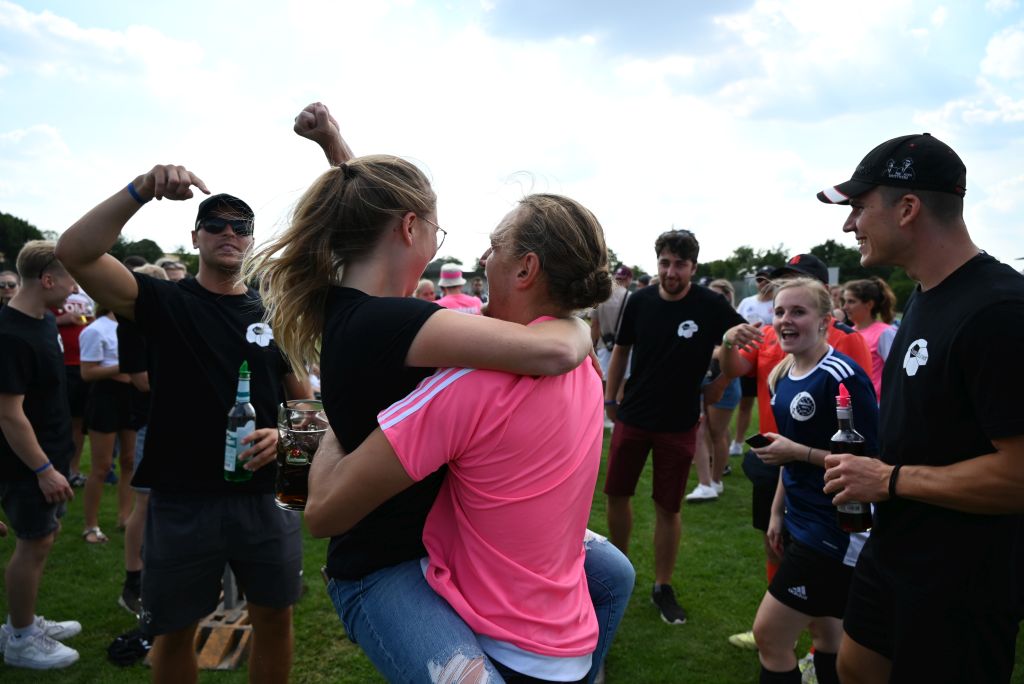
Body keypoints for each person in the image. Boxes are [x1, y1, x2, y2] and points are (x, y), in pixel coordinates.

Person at [242, 100, 635, 684]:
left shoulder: (371, 312)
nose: (473, 253)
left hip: (419, 534)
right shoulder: (396, 325)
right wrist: (575, 328)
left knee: (613, 574)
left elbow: (375, 215)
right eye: (436, 226)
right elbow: (549, 351)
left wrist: (337, 149)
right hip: (383, 556)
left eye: (493, 246)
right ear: (408, 229)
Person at [303, 193, 613, 682]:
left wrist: (335, 426)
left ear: (526, 268)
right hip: (570, 645)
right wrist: (575, 326)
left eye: (495, 246)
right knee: (617, 575)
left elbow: (323, 514)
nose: (484, 259)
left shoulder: (470, 385)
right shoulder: (586, 369)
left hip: (499, 636)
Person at [56, 171, 311, 684]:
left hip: (265, 497)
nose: (229, 233)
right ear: (195, 236)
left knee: (274, 618)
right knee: (172, 632)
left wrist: (285, 438)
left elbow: (306, 404)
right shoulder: (162, 301)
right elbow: (74, 252)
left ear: (251, 240)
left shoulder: (273, 312)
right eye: (215, 224)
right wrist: (140, 190)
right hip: (182, 499)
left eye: (241, 226)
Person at [818, 133, 1024, 683]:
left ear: (907, 208)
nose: (849, 225)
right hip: (896, 550)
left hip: (962, 581)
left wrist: (889, 480)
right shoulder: (927, 294)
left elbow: (1018, 475)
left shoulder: (1000, 309)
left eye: (859, 207)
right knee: (854, 667)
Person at [724, 277, 878, 684]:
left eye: (798, 311)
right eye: (779, 312)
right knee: (827, 635)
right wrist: (778, 513)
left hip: (837, 528)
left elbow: (870, 463)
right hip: (801, 519)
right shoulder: (782, 374)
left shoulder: (842, 377)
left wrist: (798, 452)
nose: (785, 320)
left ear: (825, 321)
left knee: (770, 636)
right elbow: (787, 456)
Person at [603, 229, 744, 625]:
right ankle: (618, 572)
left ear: (693, 267)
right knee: (617, 493)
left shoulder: (711, 304)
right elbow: (621, 350)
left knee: (668, 506)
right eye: (664, 262)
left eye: (680, 264)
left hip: (679, 422)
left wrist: (720, 383)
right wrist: (610, 399)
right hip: (634, 415)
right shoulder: (640, 300)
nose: (670, 271)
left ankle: (662, 586)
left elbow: (742, 347)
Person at [0, 241, 81, 669]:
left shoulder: (44, 320)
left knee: (44, 538)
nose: (75, 289)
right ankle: (21, 639)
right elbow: (8, 414)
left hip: (49, 454)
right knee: (33, 543)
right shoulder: (10, 334)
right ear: (48, 280)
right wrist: (44, 469)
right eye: (71, 280)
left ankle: (23, 620)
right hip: (26, 465)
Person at [78, 307, 136, 543]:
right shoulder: (96, 329)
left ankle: (125, 517)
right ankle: (90, 525)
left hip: (131, 397)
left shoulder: (135, 325)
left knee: (130, 461)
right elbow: (87, 372)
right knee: (101, 467)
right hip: (105, 399)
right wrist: (128, 365)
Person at [686, 278, 742, 502]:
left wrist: (713, 349)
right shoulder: (703, 317)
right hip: (701, 379)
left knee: (718, 433)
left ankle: (716, 480)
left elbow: (733, 354)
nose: (716, 299)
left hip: (724, 382)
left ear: (729, 296)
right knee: (700, 430)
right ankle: (705, 482)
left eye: (721, 295)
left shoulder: (733, 323)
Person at [731, 266, 775, 456]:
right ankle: (738, 442)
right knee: (745, 403)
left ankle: (773, 439)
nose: (763, 283)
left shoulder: (778, 302)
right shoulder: (747, 302)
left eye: (767, 279)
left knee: (773, 402)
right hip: (749, 355)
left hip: (771, 358)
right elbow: (736, 324)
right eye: (759, 279)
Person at [840, 278, 897, 400]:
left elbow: (896, 372)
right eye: (844, 301)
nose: (845, 307)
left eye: (851, 301)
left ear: (869, 304)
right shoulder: (848, 333)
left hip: (876, 404)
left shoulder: (885, 333)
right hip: (854, 402)